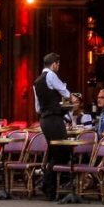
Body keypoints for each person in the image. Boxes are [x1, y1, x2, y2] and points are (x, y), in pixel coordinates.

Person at [33, 52, 71, 199]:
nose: (59, 66)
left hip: (44, 119)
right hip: (54, 118)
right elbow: (65, 92)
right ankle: (47, 185)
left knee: (55, 152)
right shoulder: (51, 75)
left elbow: (37, 107)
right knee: (62, 151)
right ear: (54, 63)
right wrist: (71, 100)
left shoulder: (36, 82)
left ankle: (49, 187)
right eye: (58, 64)